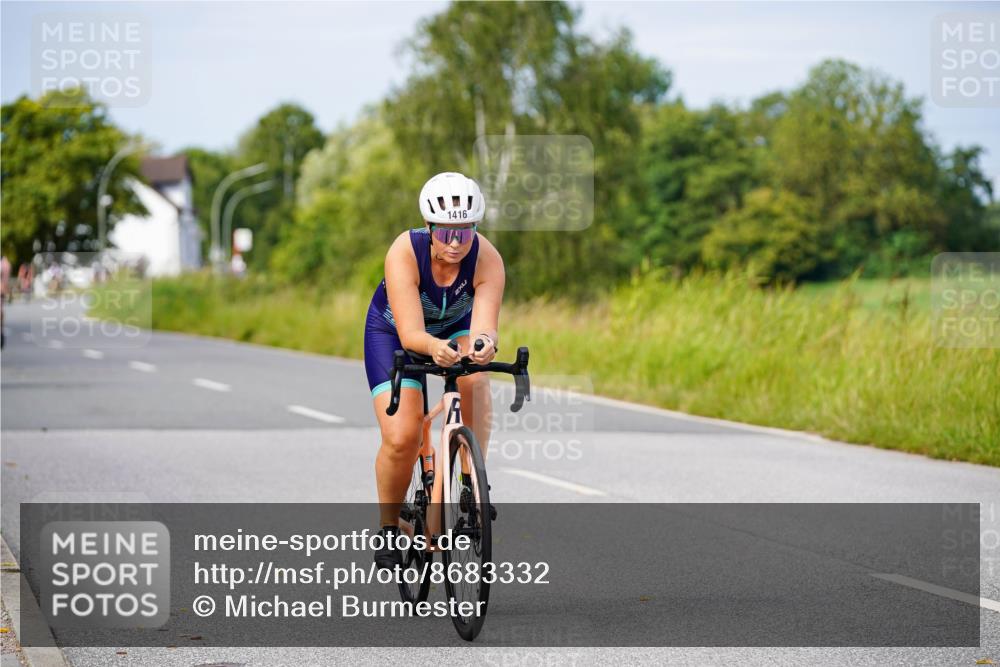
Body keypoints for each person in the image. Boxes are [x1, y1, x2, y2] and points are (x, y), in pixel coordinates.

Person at [364, 172, 505, 569]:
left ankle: (469, 486)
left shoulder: (488, 257)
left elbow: (484, 326)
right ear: (428, 227)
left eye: (465, 230)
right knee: (403, 437)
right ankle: (389, 526)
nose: (456, 242)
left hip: (452, 330)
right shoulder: (404, 251)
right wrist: (434, 349)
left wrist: (484, 345)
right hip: (394, 332)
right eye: (446, 232)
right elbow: (411, 334)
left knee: (475, 376)